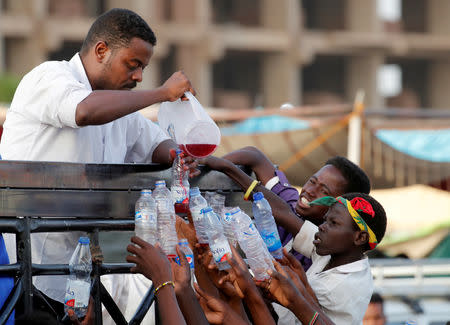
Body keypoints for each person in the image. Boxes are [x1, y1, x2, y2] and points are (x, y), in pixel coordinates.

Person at [0, 7, 197, 320]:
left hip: (77, 277)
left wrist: (179, 156)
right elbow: (84, 112)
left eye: (143, 69)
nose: (138, 77)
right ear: (101, 51)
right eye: (133, 65)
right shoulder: (50, 77)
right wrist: (161, 93)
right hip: (23, 274)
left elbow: (156, 143)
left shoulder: (120, 108)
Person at [204, 148, 371, 270]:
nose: (310, 191)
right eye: (312, 182)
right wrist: (208, 169)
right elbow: (255, 156)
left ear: (338, 208)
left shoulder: (325, 249)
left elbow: (283, 213)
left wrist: (224, 166)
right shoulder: (293, 203)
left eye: (324, 191)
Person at [257, 192, 387, 325]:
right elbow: (287, 215)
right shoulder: (339, 253)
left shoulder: (339, 286)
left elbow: (289, 310)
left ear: (360, 237)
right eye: (326, 220)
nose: (322, 226)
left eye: (334, 223)